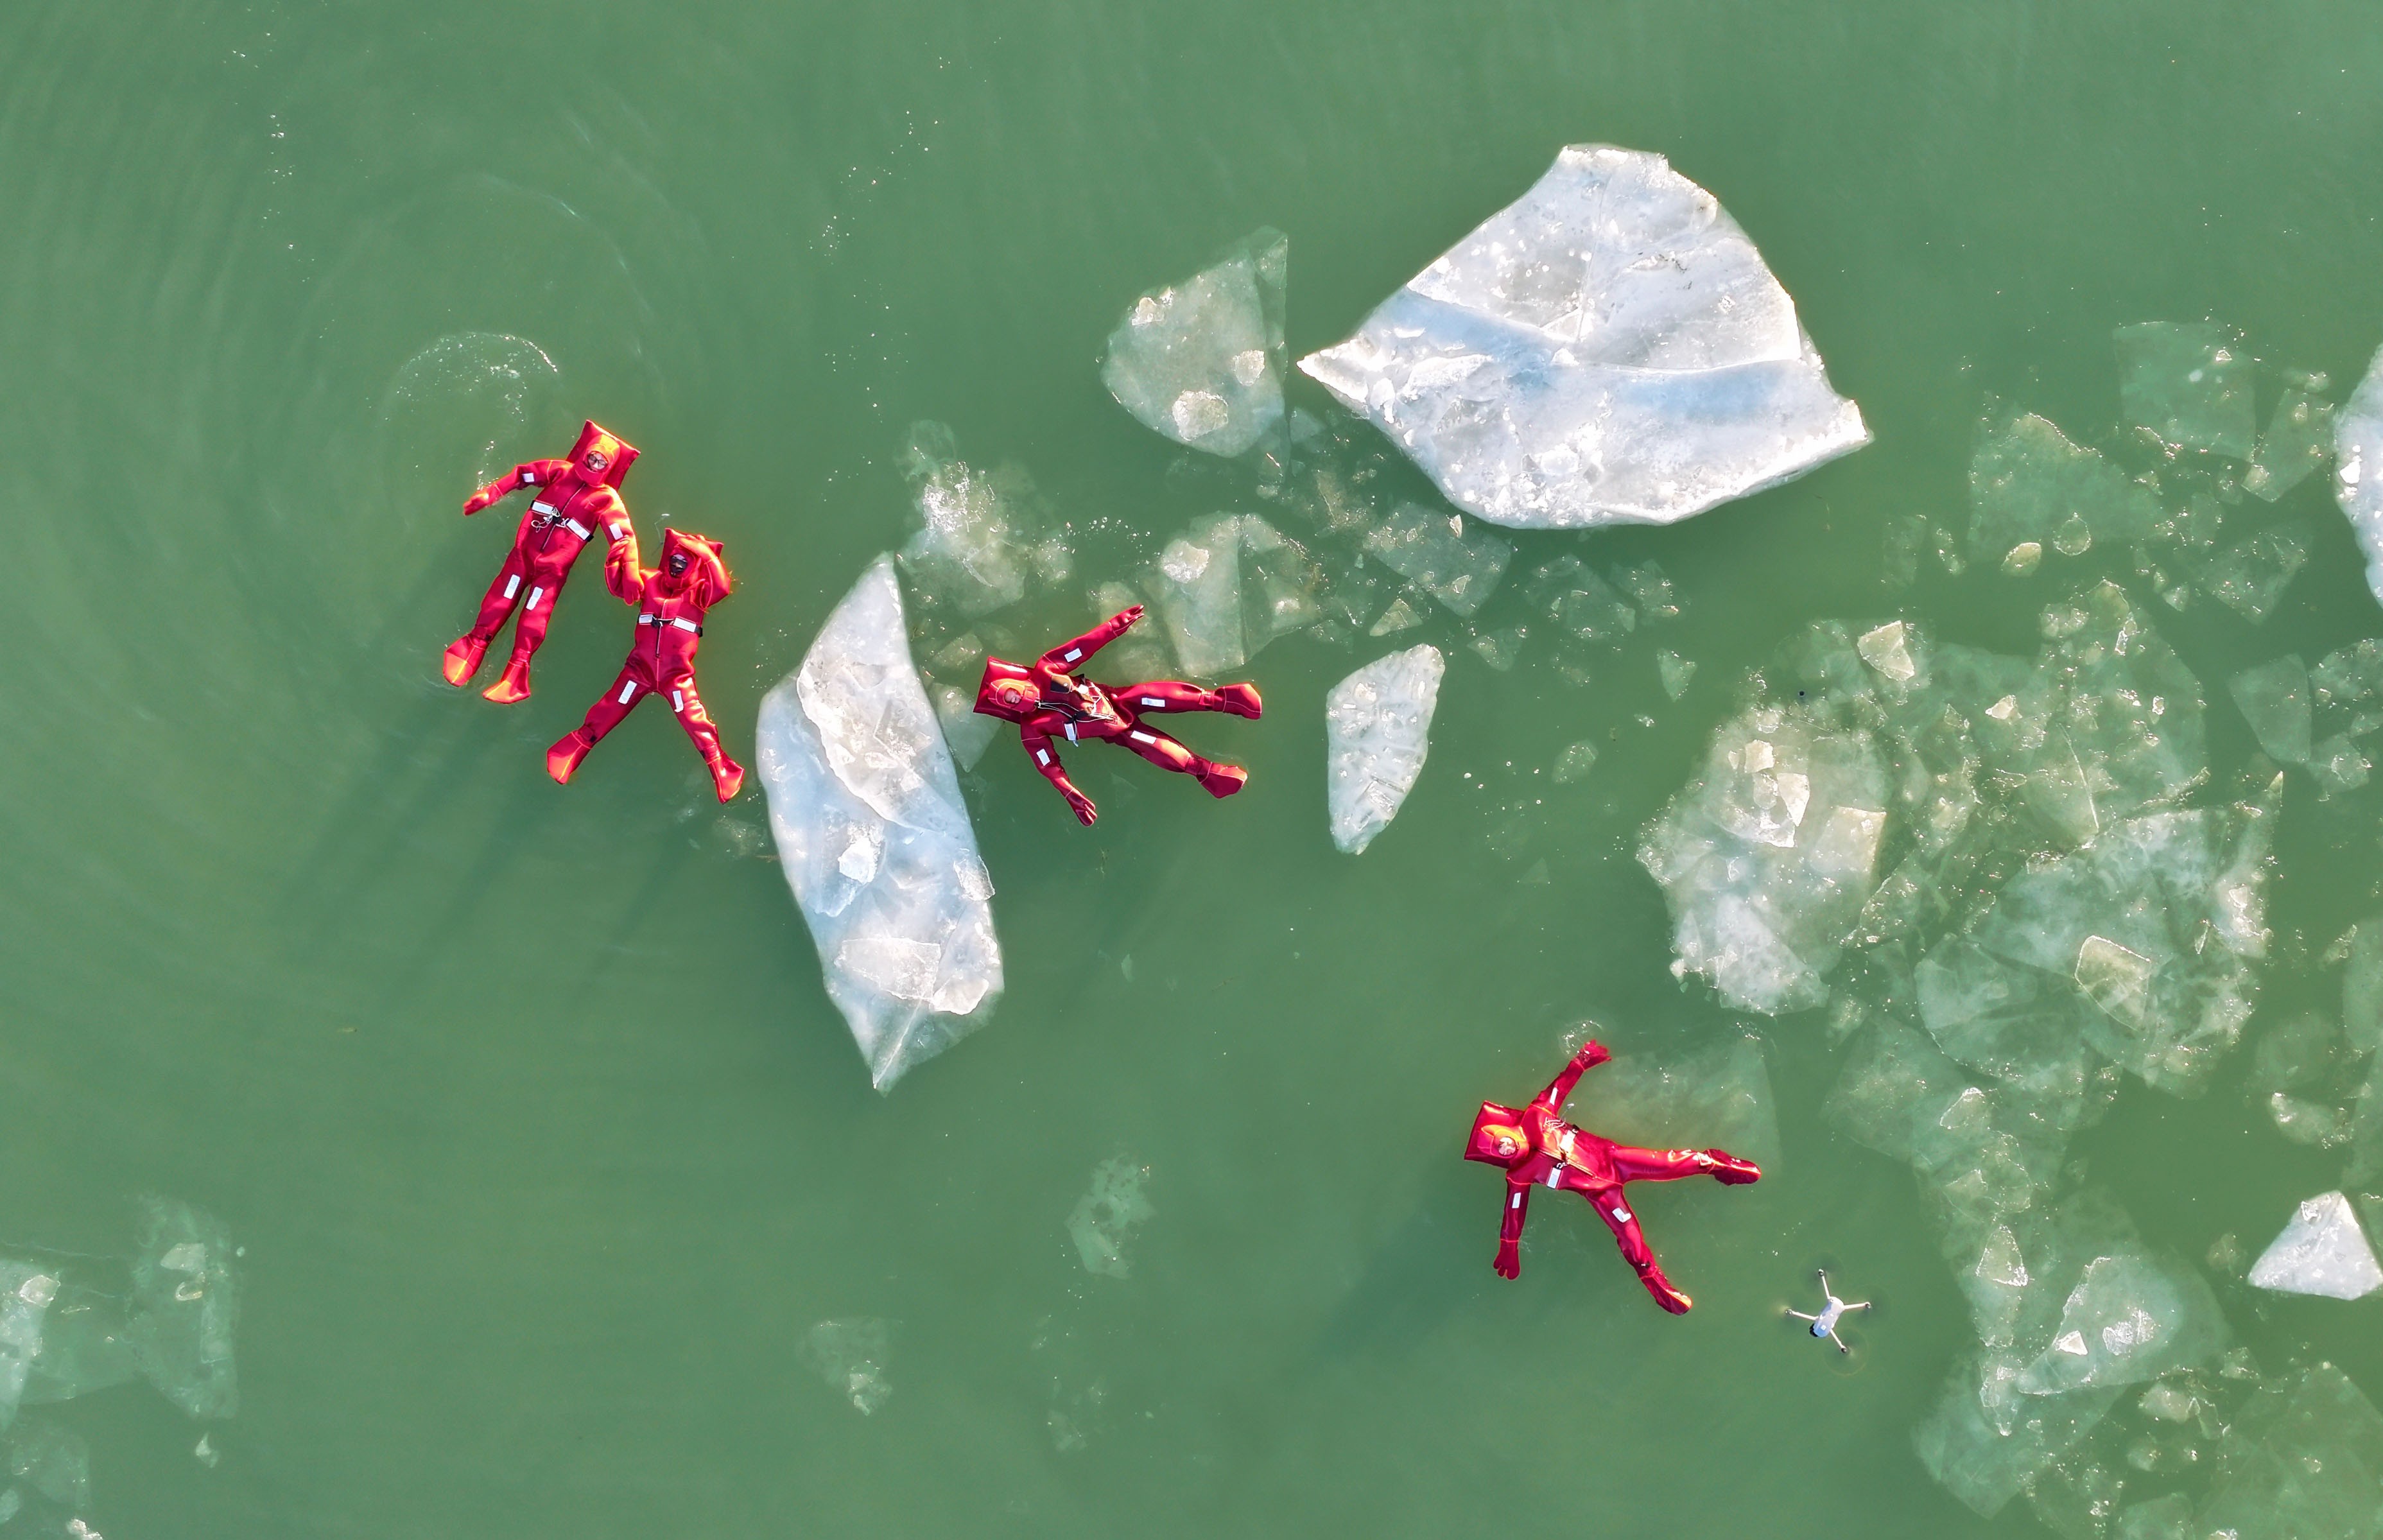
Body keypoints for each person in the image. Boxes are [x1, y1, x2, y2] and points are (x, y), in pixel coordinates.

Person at [1465, 1040, 1762, 1313]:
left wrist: (1581, 1061)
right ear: (1500, 1159)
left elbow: (1556, 1091)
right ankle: (1655, 1282)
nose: (1507, 1147)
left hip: (1617, 1161)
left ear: (1506, 1131)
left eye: (1503, 1141)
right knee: (1630, 1238)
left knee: (1674, 1162)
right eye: (1502, 1151)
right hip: (1601, 1194)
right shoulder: (1519, 1175)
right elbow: (1514, 1212)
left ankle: (1718, 1165)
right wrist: (1509, 1247)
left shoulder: (1536, 1118)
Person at [972, 605, 1261, 826]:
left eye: (1013, 692)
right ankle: (1208, 773)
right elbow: (1048, 764)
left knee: (1154, 696)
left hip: (1114, 699)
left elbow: (1079, 649)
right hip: (1117, 732)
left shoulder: (1046, 670)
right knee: (1152, 745)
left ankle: (1224, 699)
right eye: (1011, 702)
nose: (1018, 698)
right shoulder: (1032, 730)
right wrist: (1068, 791)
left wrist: (1113, 626)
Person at [441, 421, 639, 703]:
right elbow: (523, 475)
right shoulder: (560, 471)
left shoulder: (606, 500)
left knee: (535, 614)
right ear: (585, 453)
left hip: (552, 570)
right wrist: (492, 493)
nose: (594, 463)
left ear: (608, 467)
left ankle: (517, 672)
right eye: (592, 456)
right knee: (502, 596)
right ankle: (474, 644)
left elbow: (623, 537)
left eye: (601, 461)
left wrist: (630, 571)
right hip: (523, 554)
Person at [546, 527, 744, 803]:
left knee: (692, 717)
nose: (677, 566)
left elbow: (722, 587)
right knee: (612, 706)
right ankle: (577, 746)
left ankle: (721, 767)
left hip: (676, 676)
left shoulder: (700, 593)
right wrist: (615, 562)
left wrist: (705, 554)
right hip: (640, 670)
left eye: (684, 562)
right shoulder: (650, 581)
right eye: (674, 560)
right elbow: (622, 588)